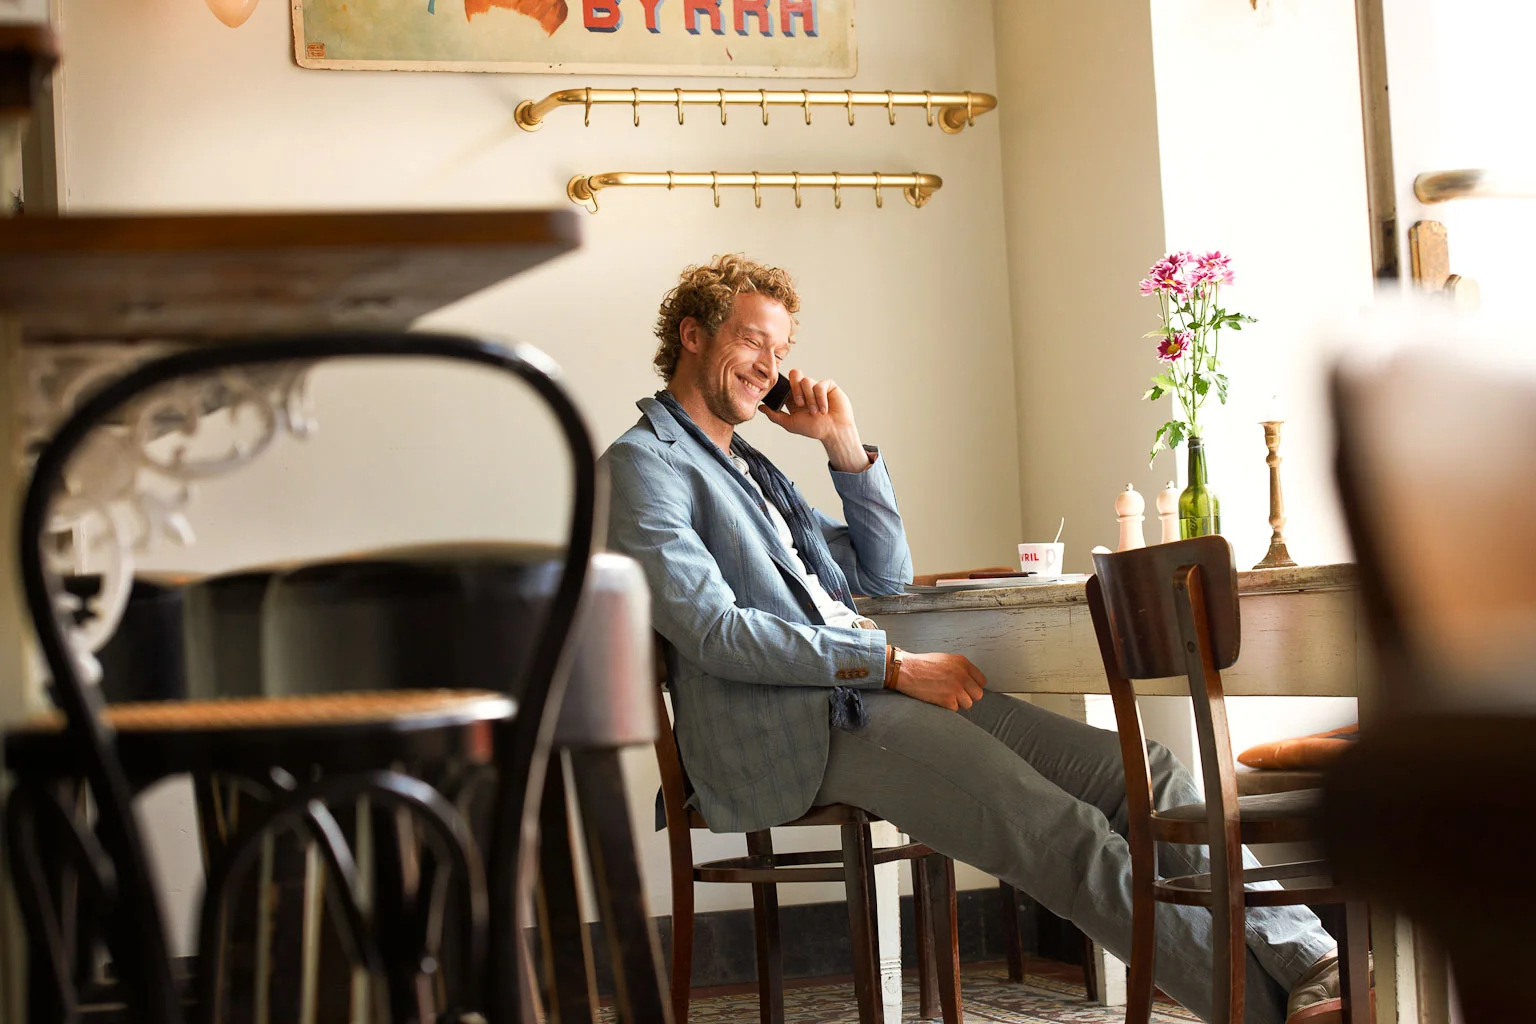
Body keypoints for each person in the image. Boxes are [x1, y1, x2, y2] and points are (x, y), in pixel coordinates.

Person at [602, 254, 1349, 1024]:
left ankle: (1311, 961)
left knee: (1146, 776)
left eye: (781, 352)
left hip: (858, 694)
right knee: (1061, 835)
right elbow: (717, 633)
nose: (769, 367)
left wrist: (844, 447)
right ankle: (1270, 1015)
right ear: (692, 335)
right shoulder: (643, 466)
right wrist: (890, 667)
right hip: (797, 725)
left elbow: (886, 578)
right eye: (753, 342)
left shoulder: (749, 466)